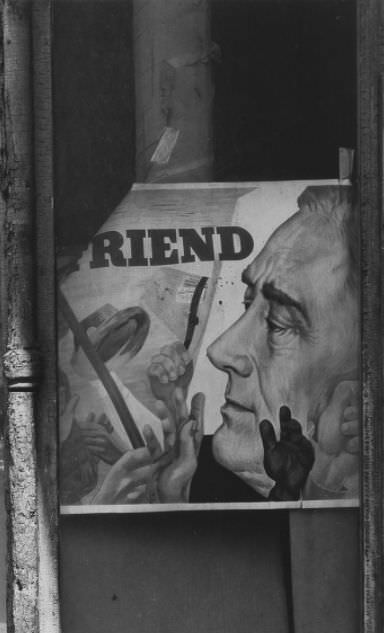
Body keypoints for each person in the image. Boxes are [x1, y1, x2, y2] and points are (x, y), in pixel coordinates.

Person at [145, 184, 360, 503]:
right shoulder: (199, 471)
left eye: (278, 323)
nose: (219, 351)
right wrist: (173, 493)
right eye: (248, 304)